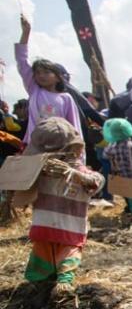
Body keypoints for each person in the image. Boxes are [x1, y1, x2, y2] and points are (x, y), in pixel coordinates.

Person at [19, 118, 104, 297]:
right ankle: (61, 281)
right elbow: (98, 181)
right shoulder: (44, 169)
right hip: (68, 224)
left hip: (45, 222)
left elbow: (97, 181)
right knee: (68, 251)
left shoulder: (43, 169)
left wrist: (75, 175)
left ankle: (44, 281)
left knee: (43, 251)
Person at [15, 16, 83, 146]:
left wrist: (79, 155)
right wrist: (26, 33)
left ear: (58, 77)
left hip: (59, 148)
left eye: (47, 72)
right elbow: (22, 61)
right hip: (35, 146)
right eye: (38, 73)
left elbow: (75, 127)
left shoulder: (66, 98)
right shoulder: (34, 90)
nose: (41, 76)